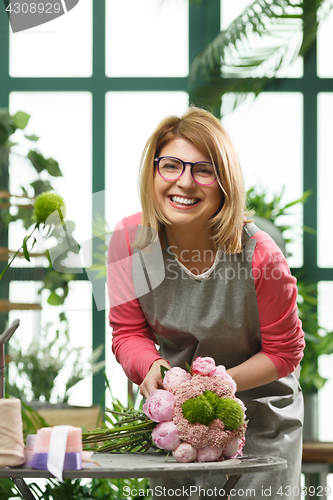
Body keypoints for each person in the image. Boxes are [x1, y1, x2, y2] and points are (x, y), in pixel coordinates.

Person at [107, 106, 305, 500]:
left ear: (224, 182)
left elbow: (286, 351)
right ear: (153, 173)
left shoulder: (260, 254)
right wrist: (153, 366)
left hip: (260, 415)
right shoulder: (129, 239)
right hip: (180, 416)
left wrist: (219, 385)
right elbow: (128, 332)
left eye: (203, 170)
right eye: (171, 166)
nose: (185, 182)